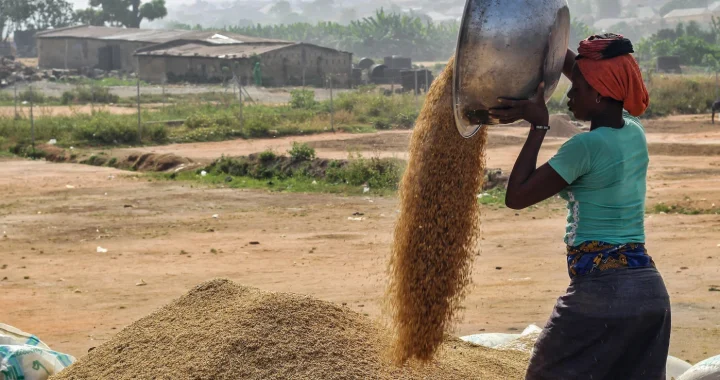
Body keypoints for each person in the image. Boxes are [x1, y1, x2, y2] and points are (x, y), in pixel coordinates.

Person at [488, 34, 671, 379]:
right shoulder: (633, 132)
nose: (569, 95)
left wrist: (539, 125)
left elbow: (517, 196)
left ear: (601, 93)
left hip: (602, 293)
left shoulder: (583, 148)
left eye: (578, 90)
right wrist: (549, 40)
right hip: (650, 294)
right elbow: (583, 71)